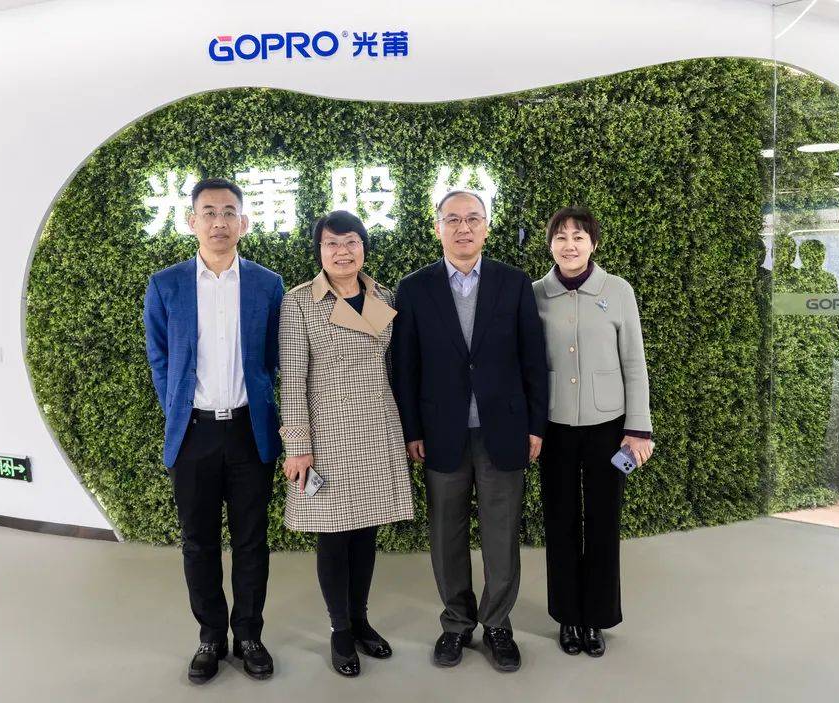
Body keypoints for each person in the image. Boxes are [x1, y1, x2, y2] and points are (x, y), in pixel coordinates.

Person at [392, 190, 548, 673]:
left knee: (502, 533)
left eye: (473, 219)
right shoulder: (414, 288)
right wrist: (412, 429)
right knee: (446, 533)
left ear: (486, 227)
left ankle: (498, 624)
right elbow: (405, 367)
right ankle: (457, 623)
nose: (463, 228)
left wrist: (536, 426)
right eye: (453, 219)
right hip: (441, 432)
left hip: (504, 429)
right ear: (437, 226)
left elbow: (533, 359)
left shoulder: (513, 282)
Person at [143, 177, 284, 684]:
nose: (219, 222)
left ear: (243, 222)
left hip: (249, 431)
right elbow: (160, 357)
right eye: (209, 212)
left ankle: (248, 635)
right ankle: (210, 636)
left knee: (251, 541)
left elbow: (274, 357)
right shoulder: (167, 284)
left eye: (228, 212)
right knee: (198, 542)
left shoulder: (267, 284)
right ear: (191, 221)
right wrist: (178, 410)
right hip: (194, 434)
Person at [279, 210, 415, 677]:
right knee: (334, 536)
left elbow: (391, 367)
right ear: (319, 251)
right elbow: (292, 380)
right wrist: (298, 445)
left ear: (363, 247)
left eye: (351, 242)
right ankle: (340, 630)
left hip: (377, 428)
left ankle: (360, 620)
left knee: (366, 532)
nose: (342, 252)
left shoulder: (382, 296)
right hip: (328, 435)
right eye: (332, 243)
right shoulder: (299, 302)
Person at [532, 206, 654, 658]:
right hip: (555, 426)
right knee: (560, 519)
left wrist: (638, 429)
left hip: (609, 427)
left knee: (603, 521)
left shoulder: (618, 291)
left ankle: (597, 617)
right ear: (550, 245)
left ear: (593, 244)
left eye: (578, 237)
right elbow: (528, 366)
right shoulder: (535, 294)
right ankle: (568, 615)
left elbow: (634, 362)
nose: (569, 245)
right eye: (561, 237)